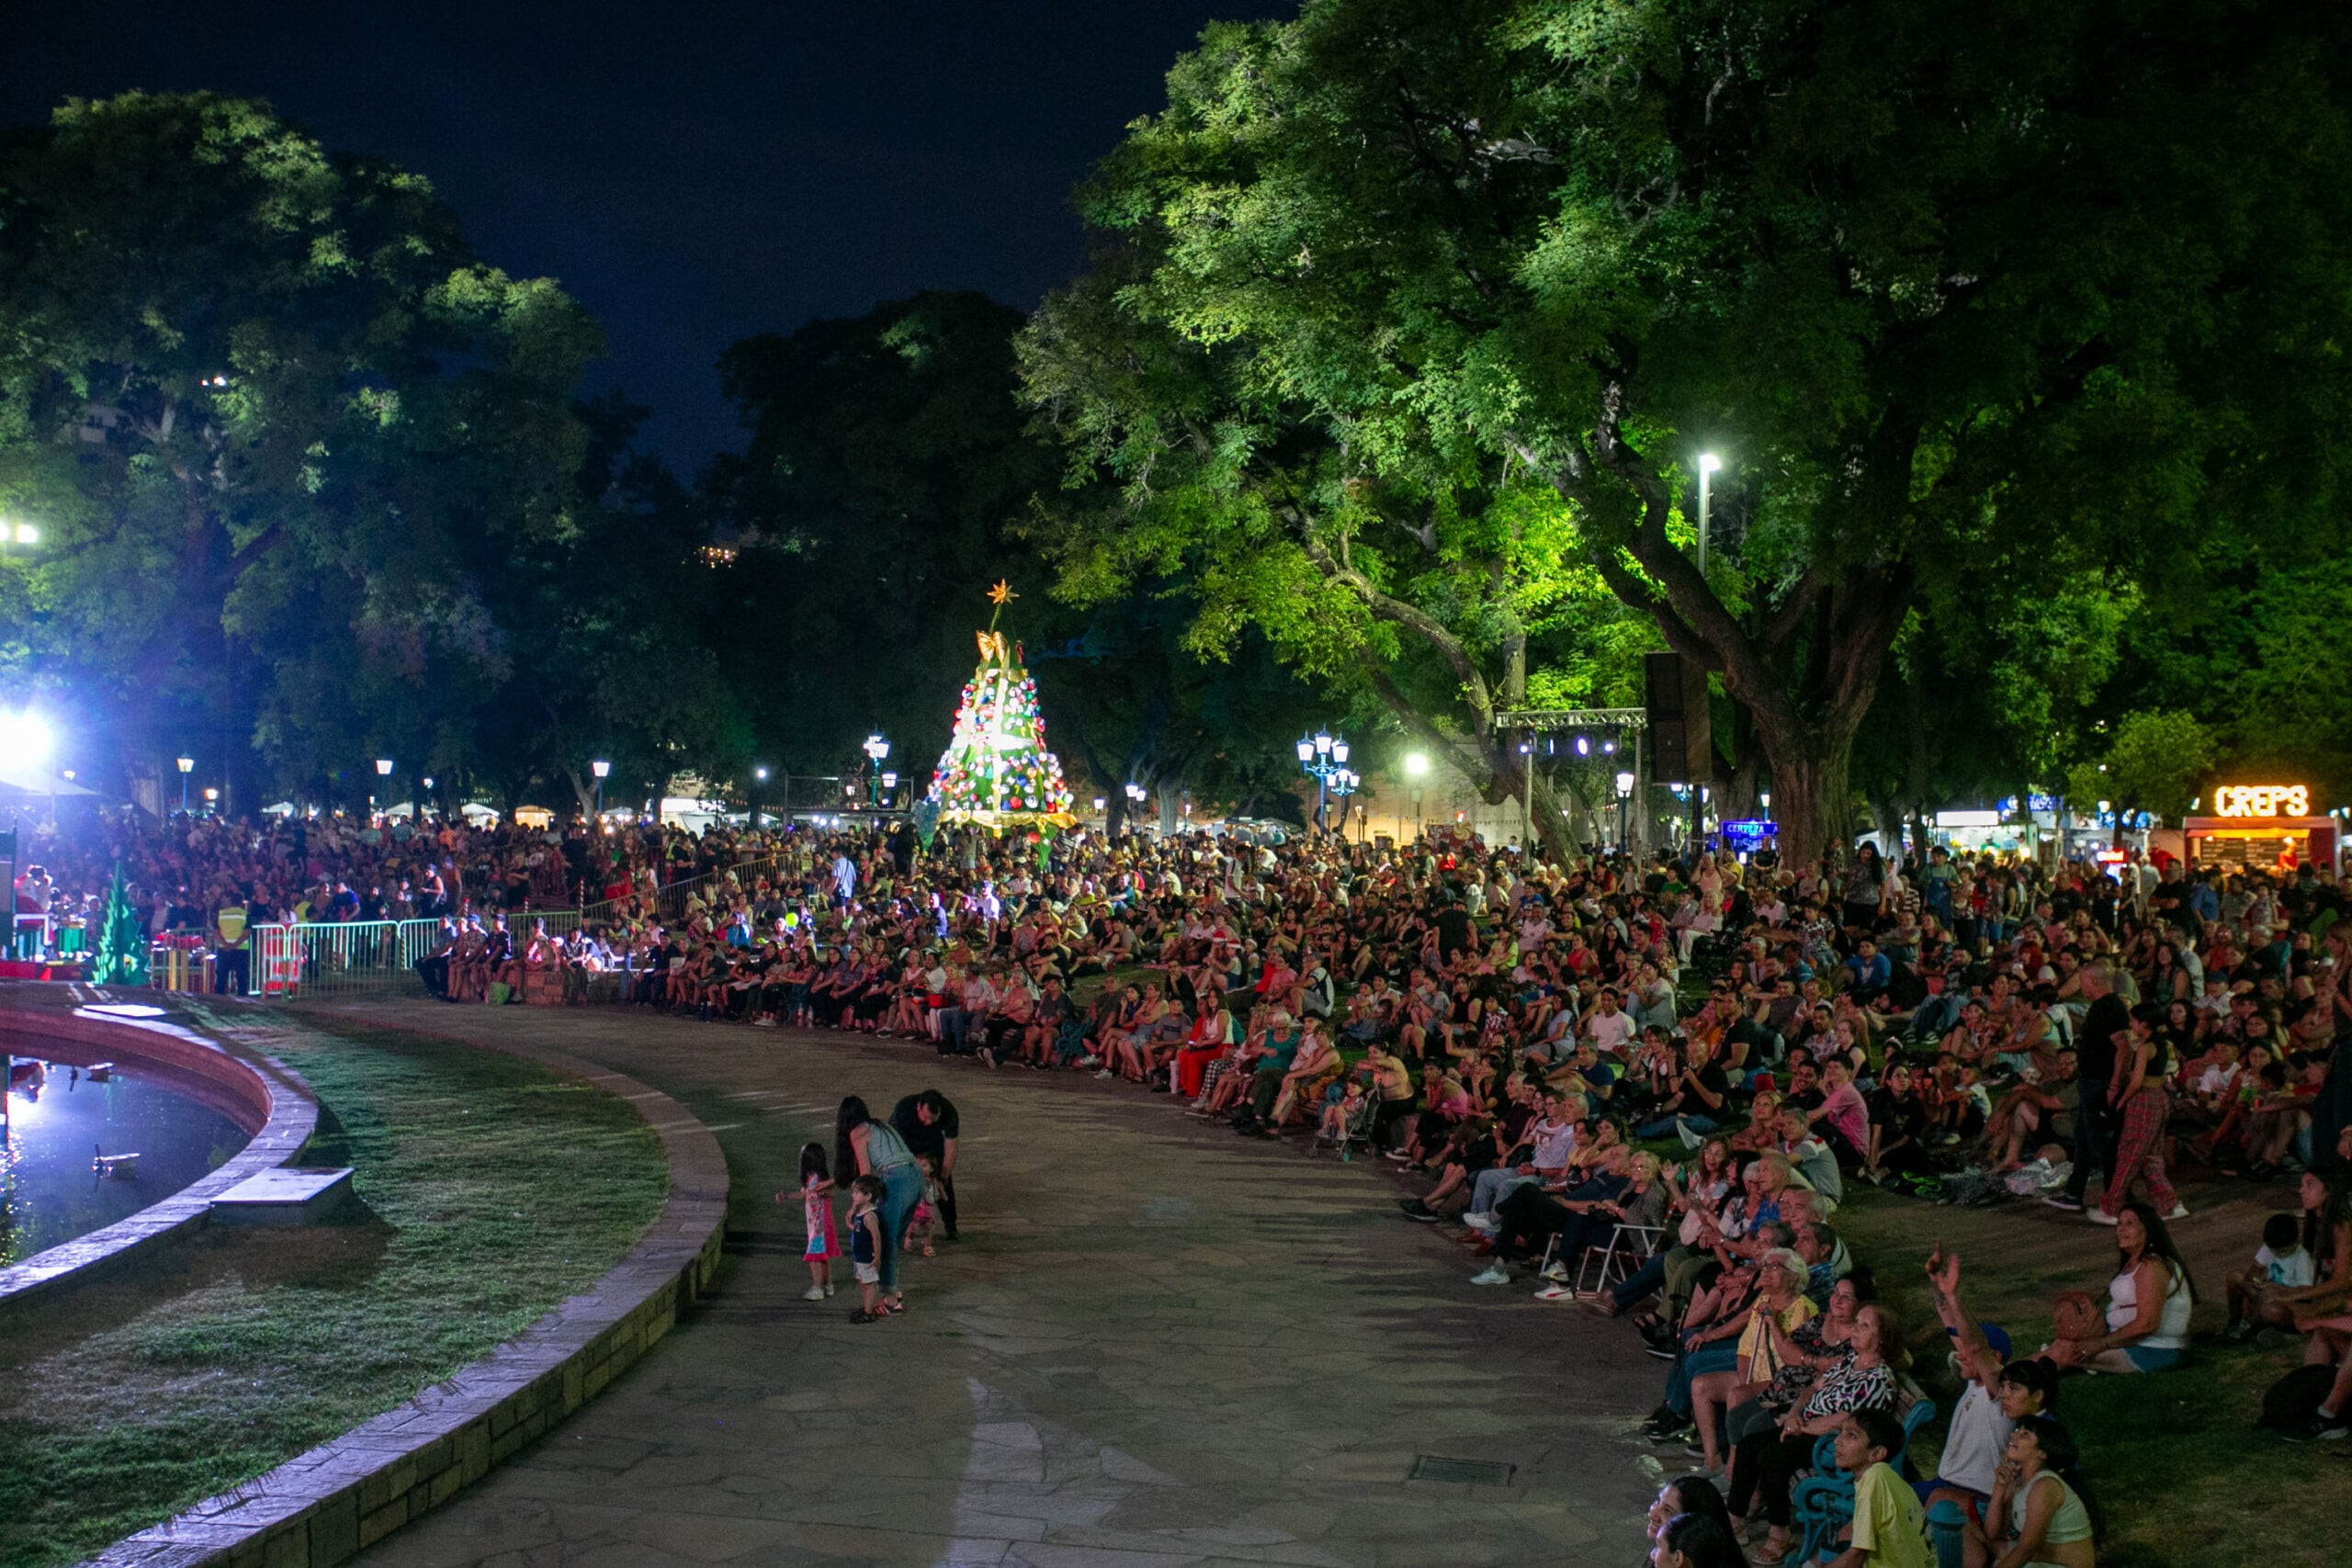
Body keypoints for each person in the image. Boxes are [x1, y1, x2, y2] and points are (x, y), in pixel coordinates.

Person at [2045, 1202, 2192, 1373]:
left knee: (2065, 1353)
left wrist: (2101, 1344)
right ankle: (2013, 1377)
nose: (2121, 1230)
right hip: (2132, 1343)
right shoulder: (2135, 1263)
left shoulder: (2152, 1267)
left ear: (2148, 1229)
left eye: (2130, 1224)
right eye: (2119, 1224)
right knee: (2062, 1346)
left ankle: (2016, 1380)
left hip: (2155, 1350)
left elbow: (2147, 1324)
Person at [1965, 1416, 2096, 1568]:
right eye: (2016, 1431)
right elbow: (1993, 1534)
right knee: (1965, 1527)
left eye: (2025, 1434)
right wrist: (1999, 1489)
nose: (2013, 1436)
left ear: (2042, 1453)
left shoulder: (2045, 1486)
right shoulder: (2019, 1483)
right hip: (2042, 1558)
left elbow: (2026, 1550)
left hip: (2062, 1565)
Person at [836, 1096, 921, 1314]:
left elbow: (866, 1179)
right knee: (893, 1238)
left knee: (885, 1240)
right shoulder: (881, 1126)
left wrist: (854, 1208)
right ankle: (891, 1289)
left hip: (896, 1180)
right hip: (916, 1177)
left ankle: (891, 1300)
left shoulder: (858, 1133)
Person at [1829, 1407, 1932, 1568]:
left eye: (1851, 1436)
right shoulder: (1887, 1475)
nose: (1837, 1441)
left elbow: (1857, 1554)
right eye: (1840, 1432)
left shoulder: (1873, 1479)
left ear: (1876, 1454)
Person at [2224, 1209, 2314, 1338]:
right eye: (2275, 1251)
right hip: (2266, 1293)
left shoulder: (2302, 1258)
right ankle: (2234, 1322)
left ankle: (2250, 1328)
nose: (2277, 1254)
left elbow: (2305, 1294)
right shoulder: (2270, 1247)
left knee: (2271, 1306)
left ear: (2295, 1242)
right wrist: (2256, 1280)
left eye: (2282, 1251)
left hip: (2286, 1300)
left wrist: (2277, 1289)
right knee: (2235, 1276)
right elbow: (2255, 1269)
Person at [889, 1089, 961, 1240]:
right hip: (907, 1147)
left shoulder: (949, 1112)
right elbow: (895, 1145)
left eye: (932, 1120)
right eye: (925, 1118)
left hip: (933, 1146)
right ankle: (898, 1227)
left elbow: (951, 1149)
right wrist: (915, 1167)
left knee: (944, 1187)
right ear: (918, 1107)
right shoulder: (904, 1110)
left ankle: (951, 1225)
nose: (928, 1123)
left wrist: (941, 1178)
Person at [779, 1141, 837, 1302]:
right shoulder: (814, 1178)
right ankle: (828, 1285)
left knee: (814, 1256)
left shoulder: (818, 1179)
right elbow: (805, 1194)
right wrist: (787, 1196)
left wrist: (826, 1193)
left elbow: (830, 1193)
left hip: (819, 1225)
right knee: (823, 1255)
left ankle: (817, 1287)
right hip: (819, 1223)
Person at [844, 1175, 888, 1323]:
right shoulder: (861, 1213)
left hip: (867, 1257)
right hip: (860, 1255)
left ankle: (869, 1312)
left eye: (857, 1192)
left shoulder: (869, 1216)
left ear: (868, 1196)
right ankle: (866, 1307)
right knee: (861, 1281)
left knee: (868, 1284)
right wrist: (850, 1224)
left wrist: (877, 1257)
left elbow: (876, 1237)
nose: (853, 1195)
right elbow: (859, 1230)